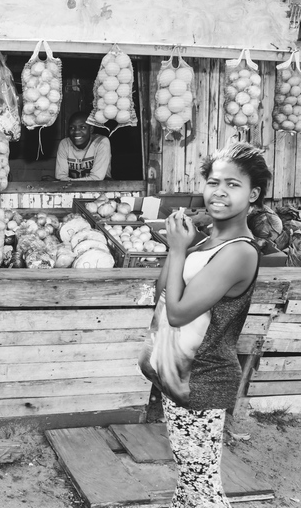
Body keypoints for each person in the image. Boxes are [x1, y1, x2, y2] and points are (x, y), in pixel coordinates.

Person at [139, 142, 271, 507]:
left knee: (202, 489)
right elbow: (163, 294)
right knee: (189, 478)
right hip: (179, 376)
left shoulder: (240, 252)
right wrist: (178, 246)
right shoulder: (209, 240)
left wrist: (180, 249)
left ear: (253, 194)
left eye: (233, 184)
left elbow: (178, 314)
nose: (220, 192)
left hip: (203, 382)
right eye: (214, 182)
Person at [55, 111, 112, 181]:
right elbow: (60, 177)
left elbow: (96, 179)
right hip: (73, 190)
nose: (76, 131)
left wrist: (67, 182)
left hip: (100, 190)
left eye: (82, 127)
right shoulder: (65, 144)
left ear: (91, 129)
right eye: (72, 128)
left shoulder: (101, 142)